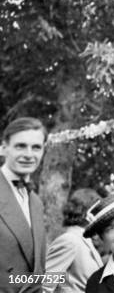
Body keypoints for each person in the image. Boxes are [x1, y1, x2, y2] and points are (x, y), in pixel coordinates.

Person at [0, 117, 47, 293]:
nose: (29, 154)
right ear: (4, 148)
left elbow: (37, 271)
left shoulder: (36, 202)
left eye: (36, 147)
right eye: (20, 146)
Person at [43, 188, 104, 293]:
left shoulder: (85, 241)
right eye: (97, 211)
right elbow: (44, 286)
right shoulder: (70, 240)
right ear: (86, 212)